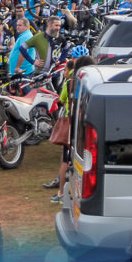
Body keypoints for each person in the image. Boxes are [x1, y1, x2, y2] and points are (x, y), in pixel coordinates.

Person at [49, 49, 94, 203]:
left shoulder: (70, 82)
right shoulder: (91, 83)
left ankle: (62, 193)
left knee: (66, 160)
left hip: (71, 125)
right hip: (85, 125)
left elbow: (62, 100)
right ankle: (77, 193)